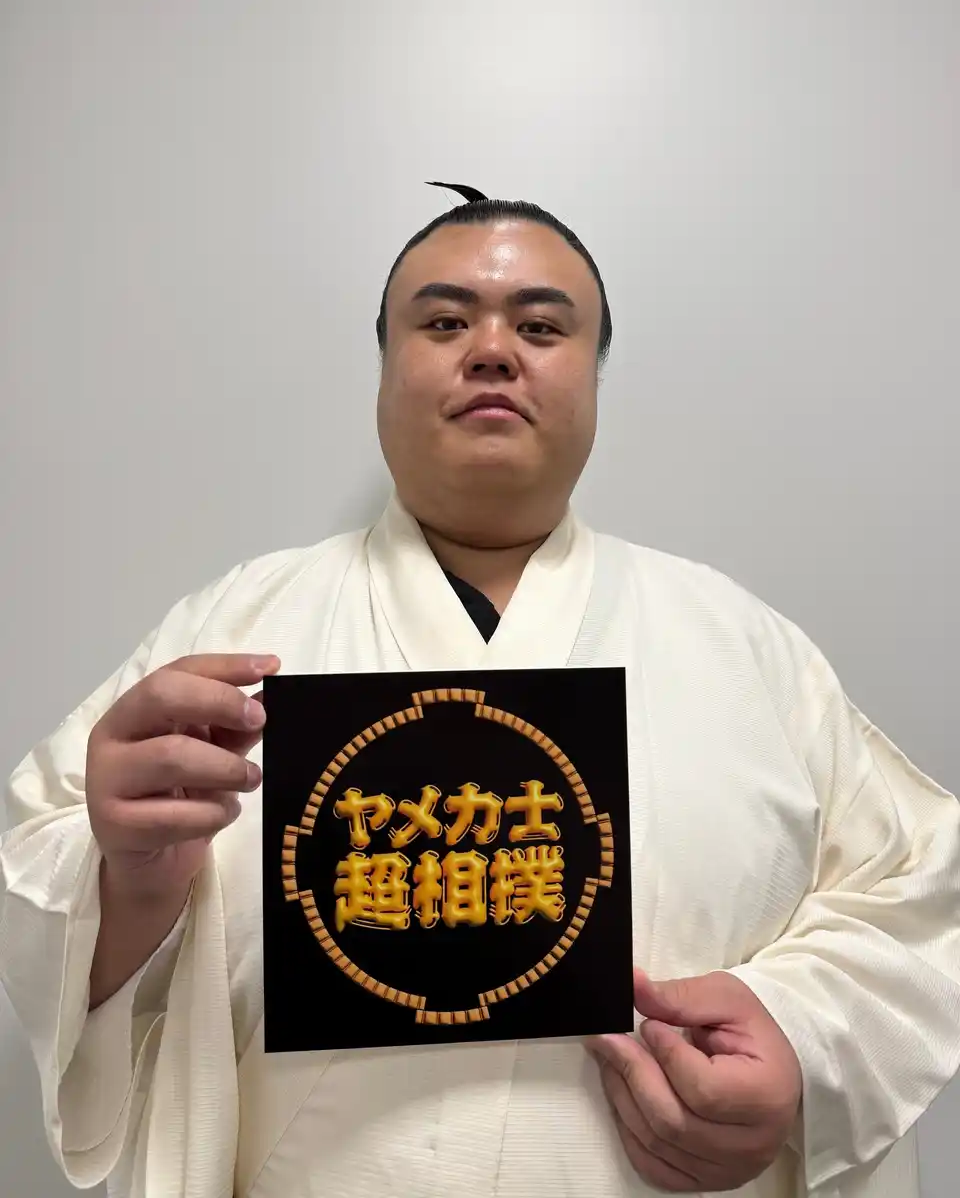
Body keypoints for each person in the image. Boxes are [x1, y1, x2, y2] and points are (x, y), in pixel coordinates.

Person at [2, 183, 959, 1198]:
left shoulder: (742, 646)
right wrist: (126, 884)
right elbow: (41, 863)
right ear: (384, 371)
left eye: (540, 327)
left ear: (594, 378)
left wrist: (801, 1036)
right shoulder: (231, 633)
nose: (493, 349)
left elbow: (921, 890)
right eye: (445, 322)